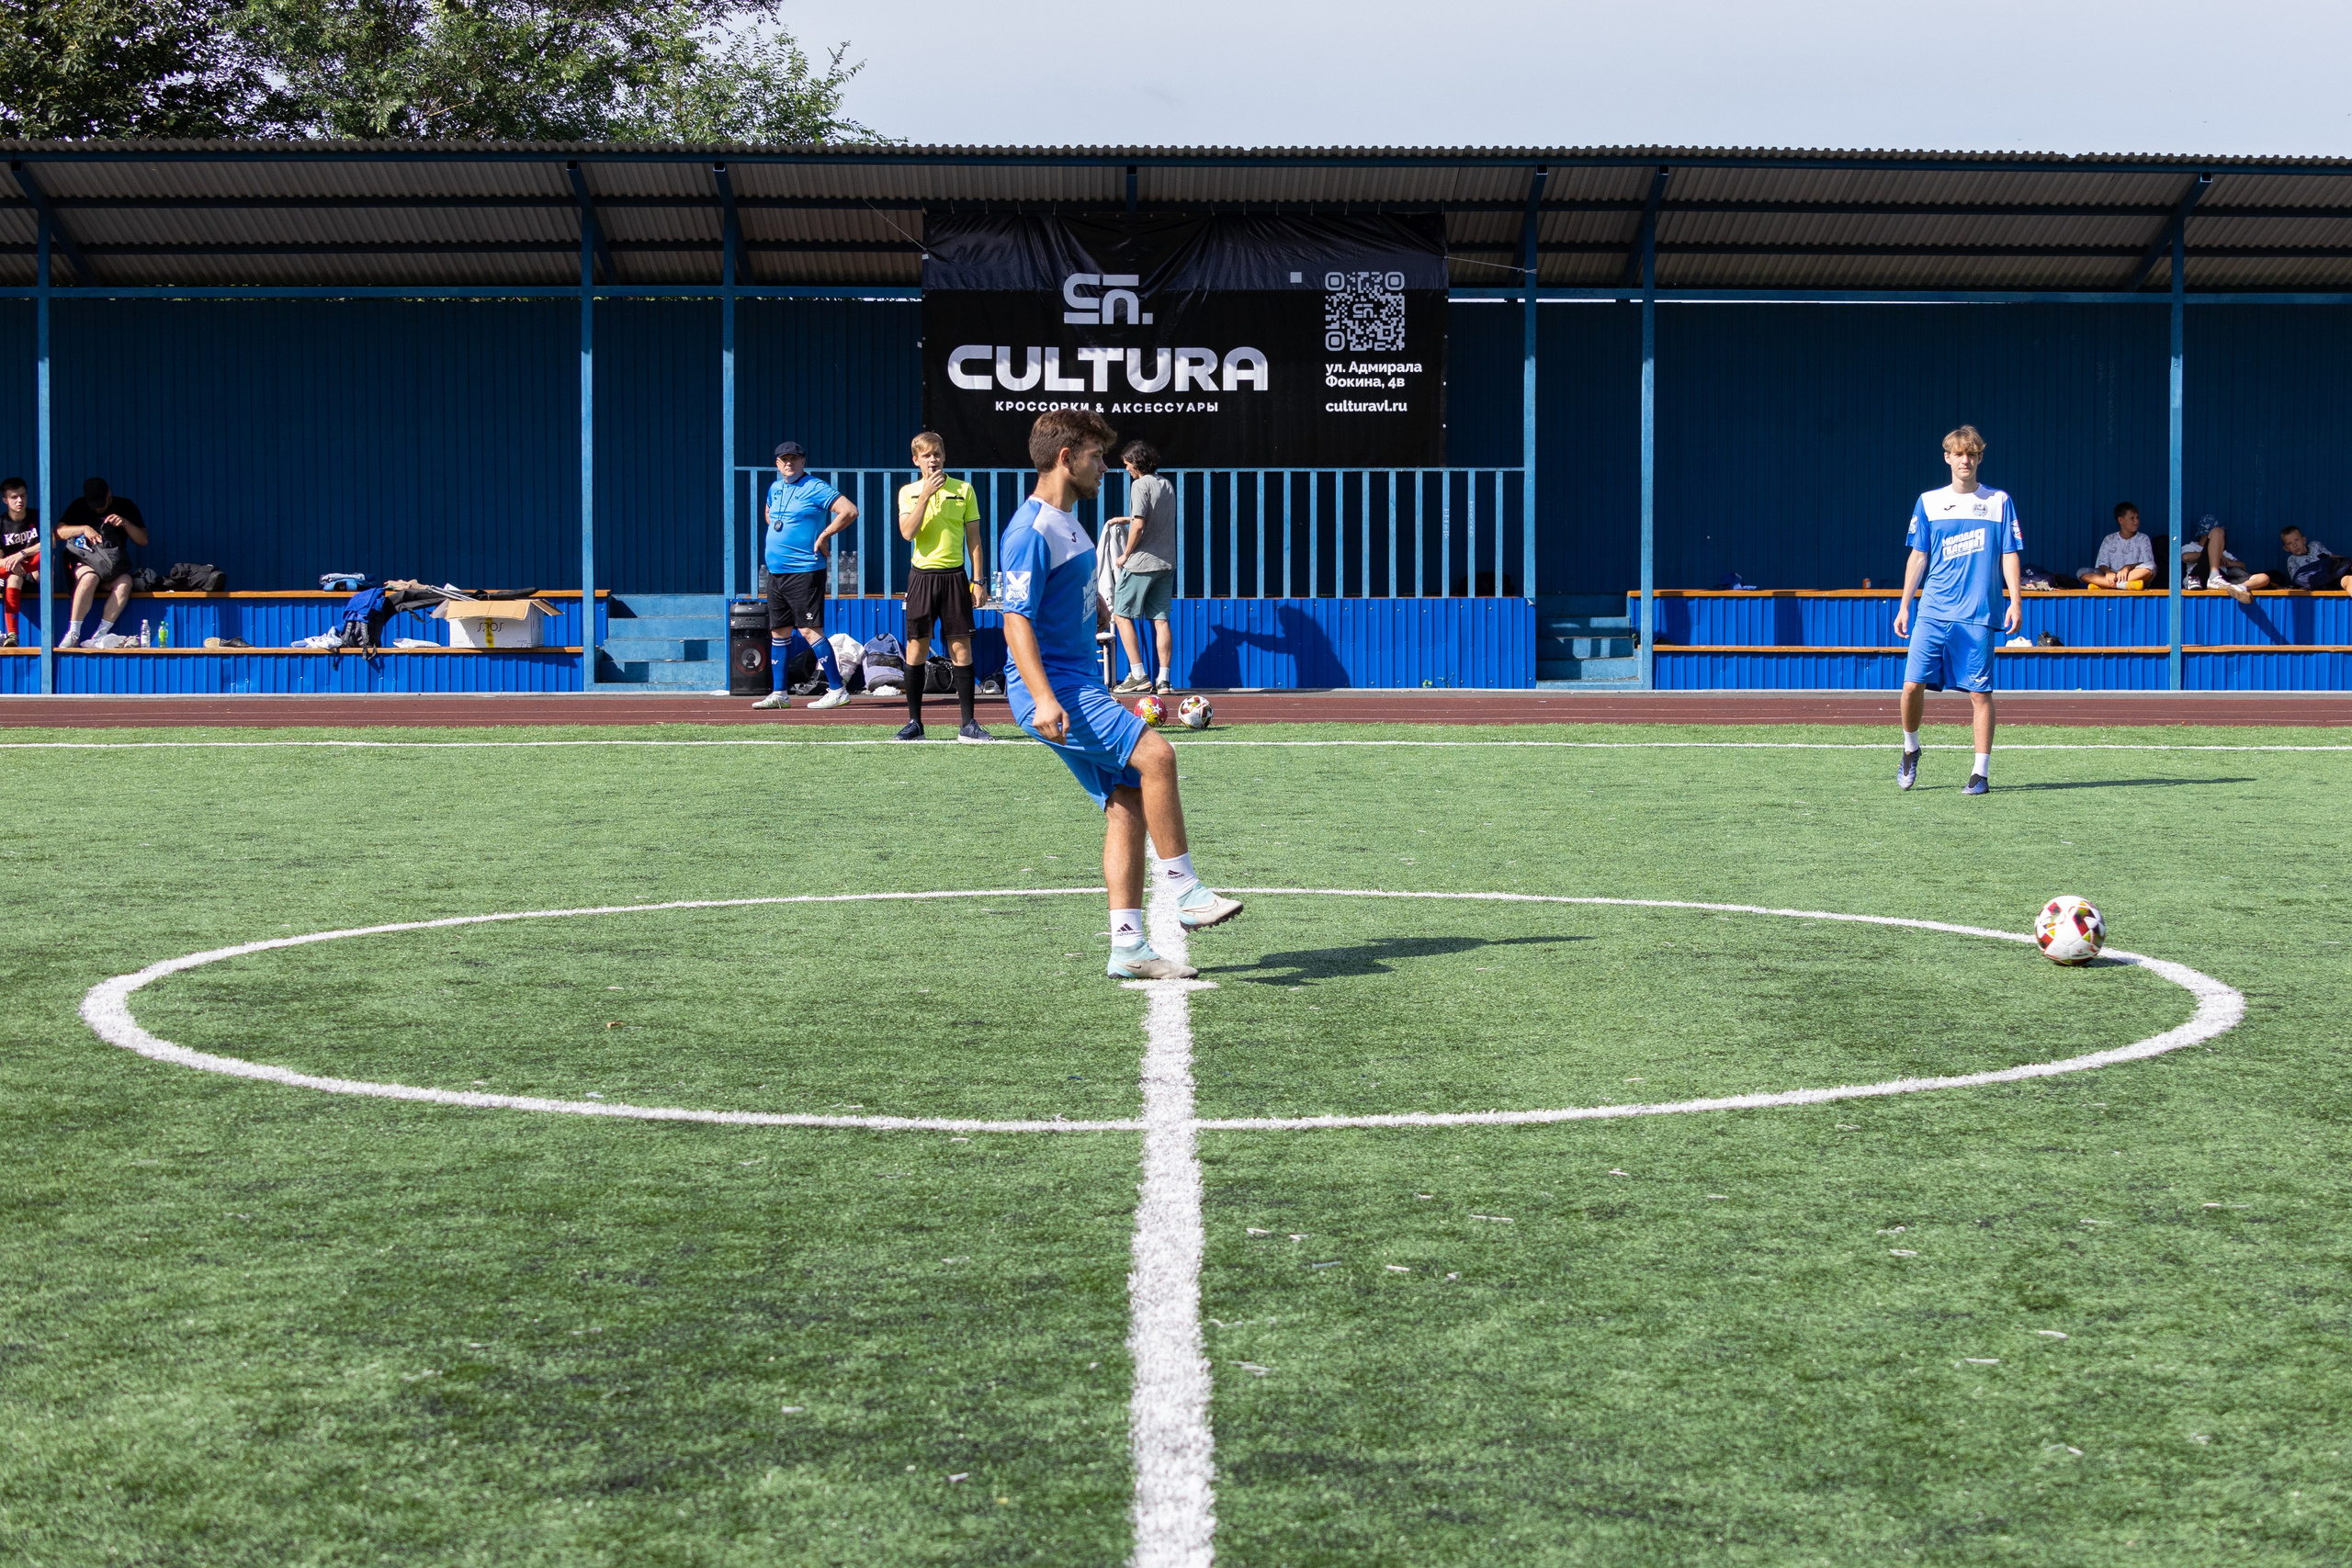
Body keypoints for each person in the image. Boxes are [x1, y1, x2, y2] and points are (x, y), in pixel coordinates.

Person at [998, 410, 1243, 980]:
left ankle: (1129, 948)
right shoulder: (1029, 531)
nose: (1104, 467)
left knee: (1128, 801)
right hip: (1054, 690)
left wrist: (1101, 609)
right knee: (1158, 755)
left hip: (1078, 682)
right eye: (1095, 457)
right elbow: (1015, 622)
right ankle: (1186, 890)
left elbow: (1073, 593)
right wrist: (1045, 698)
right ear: (1066, 459)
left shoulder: (1070, 521)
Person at [1893, 425, 2022, 796]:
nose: (1965, 460)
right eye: (1958, 454)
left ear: (1980, 457)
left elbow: (2009, 554)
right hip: (1933, 610)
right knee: (1911, 685)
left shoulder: (1998, 501)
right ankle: (1910, 748)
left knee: (1979, 694)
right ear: (1947, 457)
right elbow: (1918, 556)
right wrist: (1905, 605)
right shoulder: (1929, 501)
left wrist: (2016, 600)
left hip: (1978, 613)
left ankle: (1980, 773)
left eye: (1972, 454)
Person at [893, 432, 994, 743]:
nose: (932, 460)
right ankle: (914, 723)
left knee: (961, 647)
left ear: (944, 455)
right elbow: (907, 534)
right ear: (916, 460)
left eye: (936, 453)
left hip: (955, 577)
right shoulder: (908, 492)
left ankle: (968, 724)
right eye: (926, 456)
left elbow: (974, 540)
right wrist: (925, 496)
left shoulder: (964, 489)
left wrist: (978, 581)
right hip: (921, 577)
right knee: (916, 647)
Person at [751, 441, 855, 711]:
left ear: (802, 461)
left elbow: (849, 510)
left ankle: (837, 689)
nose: (789, 463)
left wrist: (824, 534)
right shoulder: (775, 488)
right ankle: (780, 693)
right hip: (776, 572)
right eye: (784, 459)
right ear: (777, 464)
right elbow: (769, 514)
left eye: (793, 459)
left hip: (804, 570)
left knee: (808, 630)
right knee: (779, 631)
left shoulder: (816, 487)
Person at [1108, 442, 1178, 695]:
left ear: (1137, 462)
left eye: (1127, 464)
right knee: (1161, 620)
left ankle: (1138, 675)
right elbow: (1153, 518)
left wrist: (1125, 555)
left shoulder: (1140, 485)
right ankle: (1164, 681)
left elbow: (1139, 524)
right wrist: (1124, 519)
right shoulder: (1166, 484)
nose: (1126, 469)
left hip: (1142, 563)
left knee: (1120, 615)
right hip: (1166, 562)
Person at [53, 478, 146, 649]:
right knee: (90, 578)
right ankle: (73, 632)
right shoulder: (79, 506)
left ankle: (100, 635)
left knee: (126, 582)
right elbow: (58, 532)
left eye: (101, 503)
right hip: (84, 563)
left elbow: (143, 540)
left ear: (109, 494)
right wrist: (83, 529)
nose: (98, 507)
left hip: (111, 567)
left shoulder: (125, 506)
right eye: (94, 504)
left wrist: (125, 523)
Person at [2078, 502, 2155, 590]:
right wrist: (2108, 572)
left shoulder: (2143, 538)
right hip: (2112, 576)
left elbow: (2147, 562)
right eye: (2132, 518)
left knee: (2149, 567)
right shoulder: (2109, 539)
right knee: (2081, 573)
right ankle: (2125, 586)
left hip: (2132, 575)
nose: (2136, 521)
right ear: (2120, 520)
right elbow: (2102, 564)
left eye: (2137, 518)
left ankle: (2105, 585)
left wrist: (2127, 567)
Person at [2180, 514, 2254, 604]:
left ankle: (2239, 588)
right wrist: (2211, 554)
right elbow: (2186, 557)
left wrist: (2227, 562)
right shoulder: (2191, 546)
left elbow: (2242, 565)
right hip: (2199, 576)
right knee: (2218, 531)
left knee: (2264, 578)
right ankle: (2214, 577)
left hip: (2223, 578)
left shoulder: (2222, 552)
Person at [0, 477, 38, 647]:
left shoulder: (37, 516)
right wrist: (11, 563)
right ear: (5, 500)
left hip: (35, 571)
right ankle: (12, 635)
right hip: (12, 575)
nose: (20, 500)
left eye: (23, 496)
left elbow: (49, 543)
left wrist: (22, 554)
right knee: (13, 579)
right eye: (14, 497)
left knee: (46, 559)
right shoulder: (1, 523)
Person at [2279, 526, 2352, 594]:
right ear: (2286, 548)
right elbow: (2298, 579)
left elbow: (2332, 557)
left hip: (2334, 576)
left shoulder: (2315, 545)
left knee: (2350, 580)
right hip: (2320, 584)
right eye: (2289, 543)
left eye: (2297, 540)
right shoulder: (2292, 560)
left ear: (2304, 540)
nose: (2295, 545)